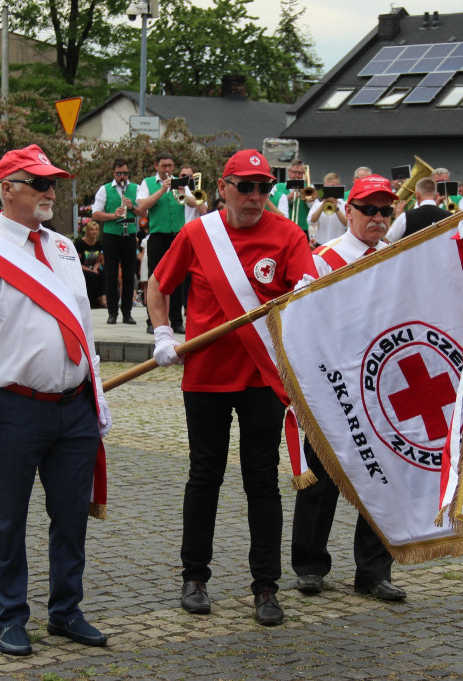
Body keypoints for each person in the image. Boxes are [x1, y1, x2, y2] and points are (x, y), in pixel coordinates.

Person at [0, 144, 112, 656]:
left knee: (70, 516)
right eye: (37, 183)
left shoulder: (64, 248)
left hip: (74, 406)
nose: (49, 192)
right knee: (8, 518)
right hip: (15, 407)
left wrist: (97, 396)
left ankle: (66, 610)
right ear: (6, 189)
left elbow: (84, 330)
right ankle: (11, 615)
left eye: (52, 184)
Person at [147, 148, 316, 627]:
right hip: (205, 377)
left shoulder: (288, 235)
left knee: (261, 481)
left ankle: (266, 587)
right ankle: (194, 577)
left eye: (264, 187)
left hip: (262, 378)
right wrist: (163, 332)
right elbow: (158, 287)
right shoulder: (200, 233)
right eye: (245, 186)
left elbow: (310, 294)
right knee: (205, 477)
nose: (256, 197)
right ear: (223, 187)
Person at [292, 174, 407, 603]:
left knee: (383, 480)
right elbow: (304, 320)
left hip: (382, 388)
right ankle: (309, 566)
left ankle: (374, 571)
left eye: (385, 211)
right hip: (334, 385)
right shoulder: (324, 259)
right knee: (319, 480)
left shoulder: (398, 256)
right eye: (369, 210)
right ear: (350, 212)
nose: (378, 218)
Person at [137, 152, 188, 334]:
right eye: (164, 166)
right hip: (158, 235)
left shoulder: (180, 182)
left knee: (178, 277)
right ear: (156, 166)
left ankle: (176, 320)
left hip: (178, 235)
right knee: (155, 278)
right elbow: (142, 206)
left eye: (170, 166)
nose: (167, 169)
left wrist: (182, 193)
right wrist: (161, 190)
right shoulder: (147, 183)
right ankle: (153, 321)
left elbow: (195, 204)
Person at [91, 159, 141, 324]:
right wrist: (113, 215)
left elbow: (145, 212)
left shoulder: (136, 188)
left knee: (128, 276)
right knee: (110, 276)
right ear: (114, 173)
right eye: (119, 173)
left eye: (125, 173)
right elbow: (96, 214)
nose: (122, 177)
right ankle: (112, 313)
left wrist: (132, 207)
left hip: (129, 236)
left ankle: (127, 313)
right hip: (111, 236)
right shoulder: (105, 189)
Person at [384, 177, 451, 242]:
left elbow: (387, 240)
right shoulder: (450, 216)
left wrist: (398, 217)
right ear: (437, 196)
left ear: (417, 195)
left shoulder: (405, 217)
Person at [271, 159, 311, 237]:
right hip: (282, 229)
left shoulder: (309, 188)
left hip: (302, 229)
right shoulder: (278, 187)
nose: (296, 176)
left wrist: (305, 194)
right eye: (294, 172)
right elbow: (272, 205)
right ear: (288, 172)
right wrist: (287, 198)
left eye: (300, 173)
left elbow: (313, 207)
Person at [74, 219, 106, 309]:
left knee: (102, 274)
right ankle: (94, 301)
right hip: (82, 268)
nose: (94, 232)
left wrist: (95, 269)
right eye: (92, 230)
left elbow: (98, 260)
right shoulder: (80, 243)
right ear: (87, 231)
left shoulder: (99, 244)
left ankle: (103, 299)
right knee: (92, 276)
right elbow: (76, 262)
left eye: (96, 230)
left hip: (93, 267)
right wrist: (91, 271)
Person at [308, 172, 348, 245]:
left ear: (339, 186)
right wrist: (322, 206)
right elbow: (311, 222)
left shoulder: (344, 205)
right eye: (327, 188)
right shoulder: (317, 205)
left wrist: (336, 209)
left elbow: (348, 224)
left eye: (333, 187)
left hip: (338, 246)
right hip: (321, 245)